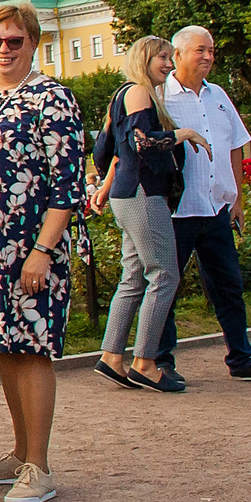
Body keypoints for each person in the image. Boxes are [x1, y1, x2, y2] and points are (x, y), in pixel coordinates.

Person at [0, 0, 86, 502]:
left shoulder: (52, 98)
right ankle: (19, 450)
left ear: (34, 43)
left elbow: (65, 185)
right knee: (5, 348)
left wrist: (43, 250)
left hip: (32, 247)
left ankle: (40, 466)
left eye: (14, 41)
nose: (4, 49)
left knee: (32, 347)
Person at [148, 27, 251, 384]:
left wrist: (237, 196)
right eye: (200, 50)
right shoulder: (159, 96)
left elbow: (236, 144)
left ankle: (241, 358)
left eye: (211, 50)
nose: (208, 57)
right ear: (177, 55)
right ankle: (161, 361)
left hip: (215, 210)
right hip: (176, 211)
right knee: (167, 289)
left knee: (229, 287)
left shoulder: (218, 96)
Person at [91, 35, 195, 394]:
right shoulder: (139, 91)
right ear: (144, 59)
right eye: (163, 58)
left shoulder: (122, 94)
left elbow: (106, 150)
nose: (169, 64)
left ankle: (112, 356)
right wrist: (184, 133)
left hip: (127, 193)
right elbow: (141, 141)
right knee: (164, 275)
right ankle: (145, 363)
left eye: (170, 57)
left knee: (133, 277)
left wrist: (107, 187)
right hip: (143, 193)